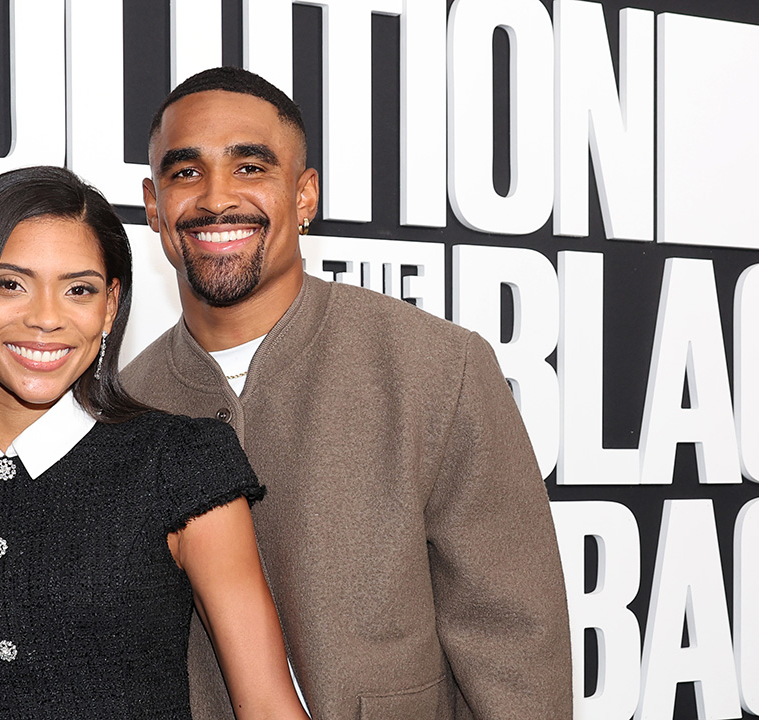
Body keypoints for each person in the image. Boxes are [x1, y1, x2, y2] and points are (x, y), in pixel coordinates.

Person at [123, 67, 572, 719]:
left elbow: (516, 646)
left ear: (305, 197)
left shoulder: (437, 368)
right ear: (154, 203)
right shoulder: (125, 408)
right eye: (185, 172)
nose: (216, 198)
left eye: (250, 167)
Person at [0, 165, 309, 720]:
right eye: (11, 284)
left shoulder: (179, 466)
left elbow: (266, 705)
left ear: (110, 307)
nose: (46, 318)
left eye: (79, 290)